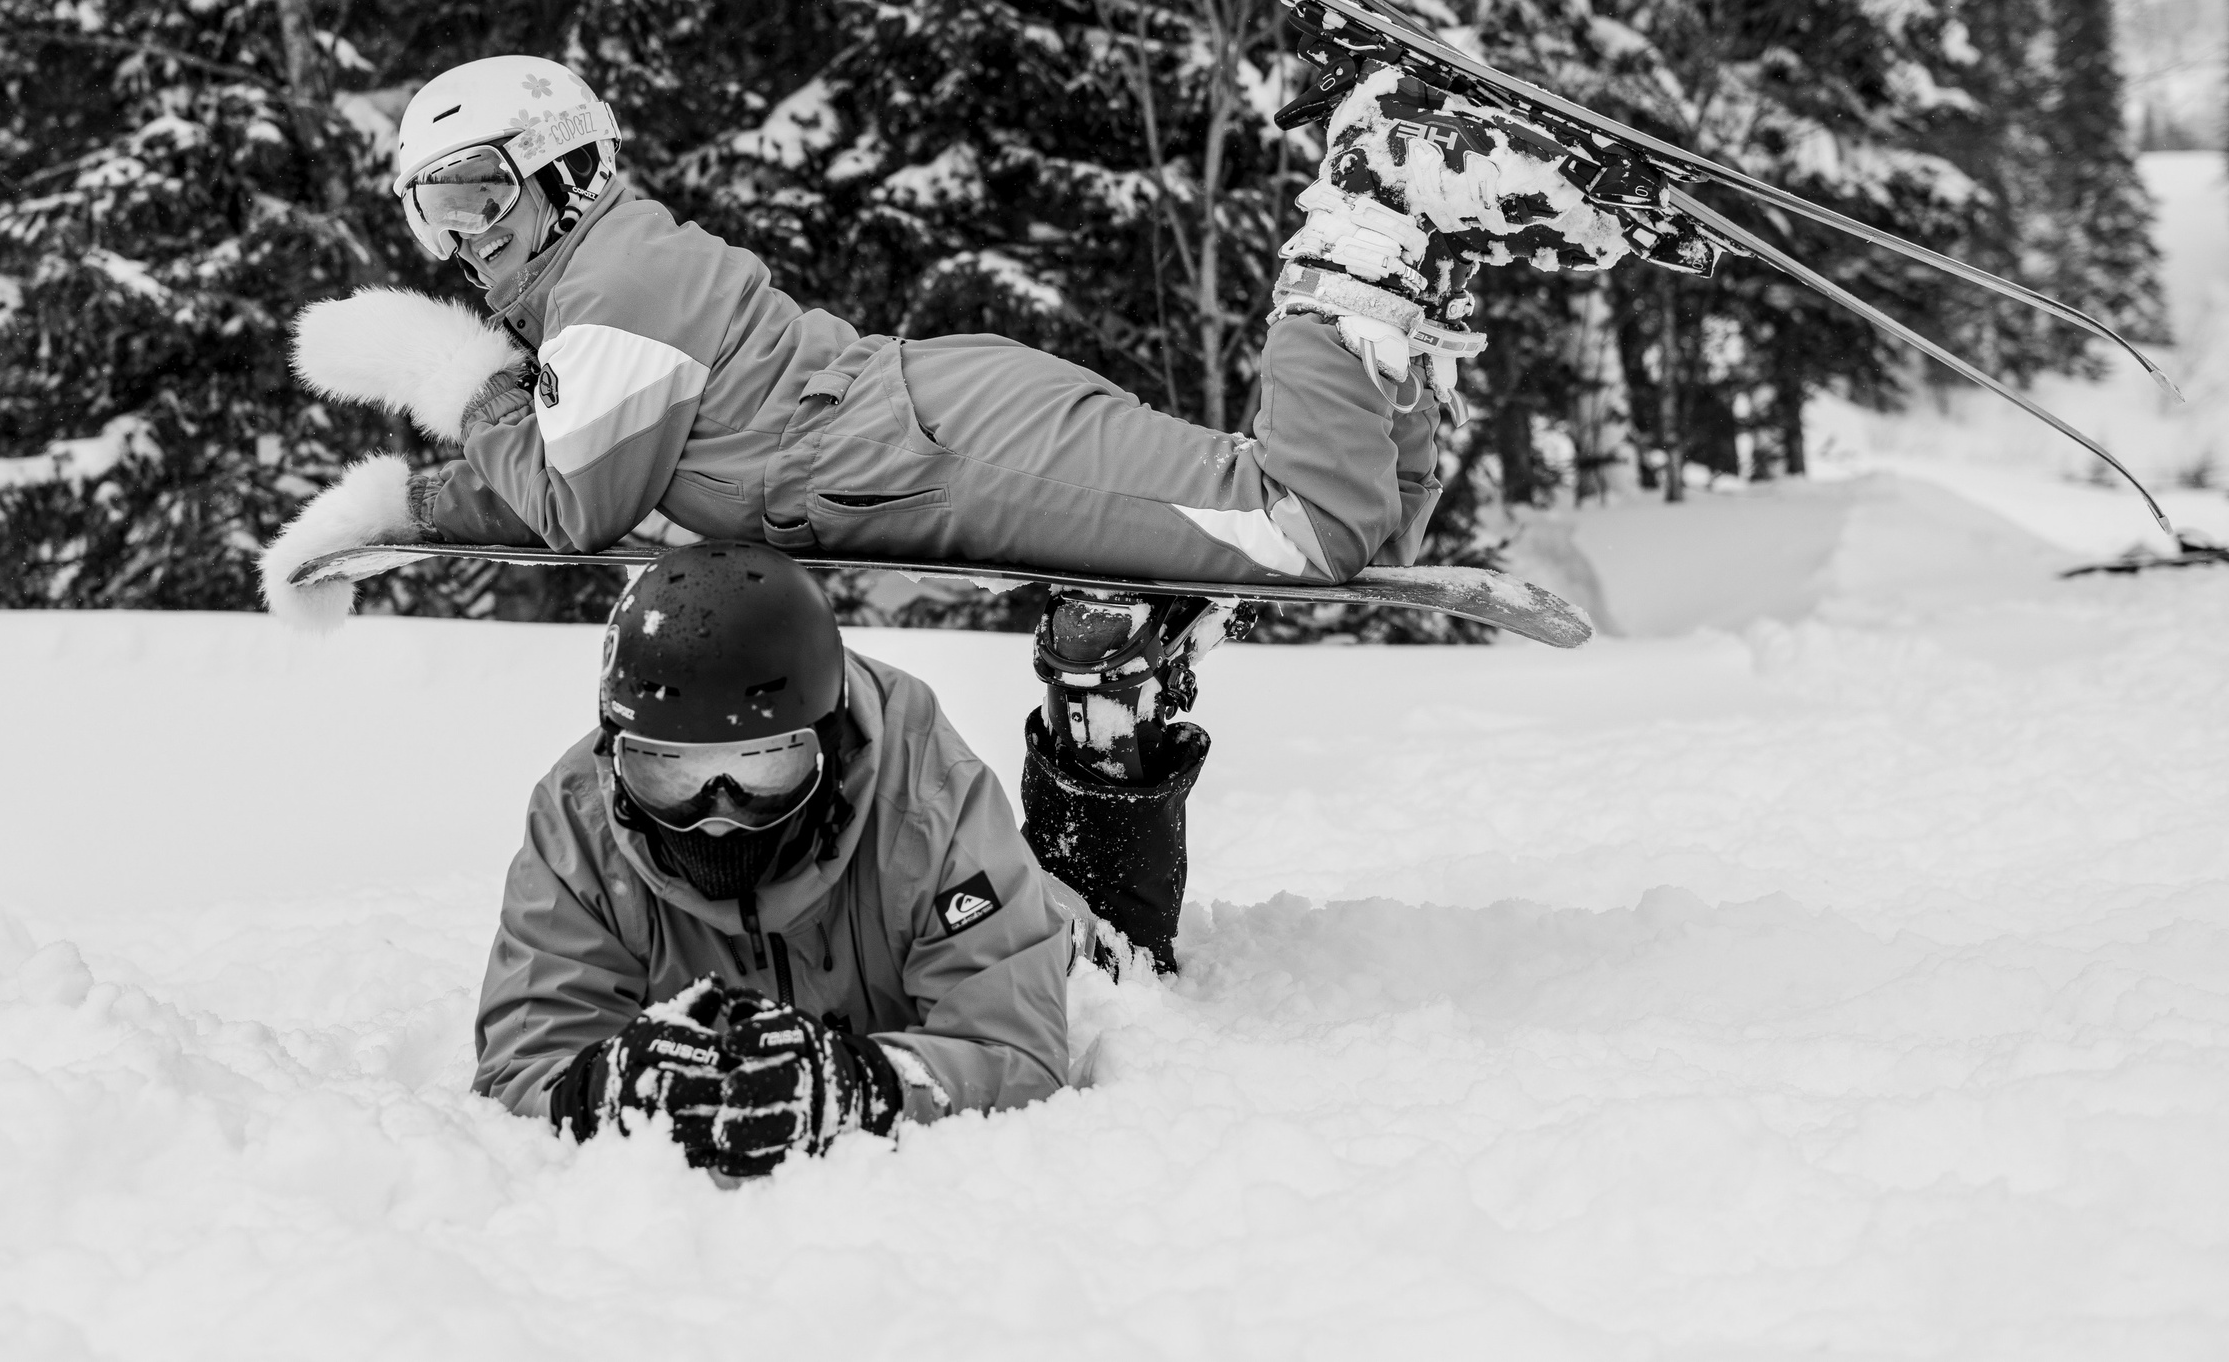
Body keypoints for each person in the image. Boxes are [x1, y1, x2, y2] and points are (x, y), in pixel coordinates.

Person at [264, 53, 1626, 965]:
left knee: (1304, 531)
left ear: (560, 168)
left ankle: (1372, 210)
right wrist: (391, 510)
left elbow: (575, 502)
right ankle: (1412, 271)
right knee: (1364, 531)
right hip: (925, 436)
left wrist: (450, 376)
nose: (458, 237)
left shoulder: (615, 285)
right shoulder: (588, 302)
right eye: (429, 213)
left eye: (474, 193)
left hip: (945, 449)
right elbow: (562, 476)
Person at [473, 539, 1076, 1176]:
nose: (717, 816)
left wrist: (870, 1085)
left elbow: (1016, 1052)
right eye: (669, 773)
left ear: (830, 745)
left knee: (1066, 936)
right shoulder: (583, 824)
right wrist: (594, 1089)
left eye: (762, 768)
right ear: (619, 760)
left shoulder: (926, 799)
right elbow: (524, 1064)